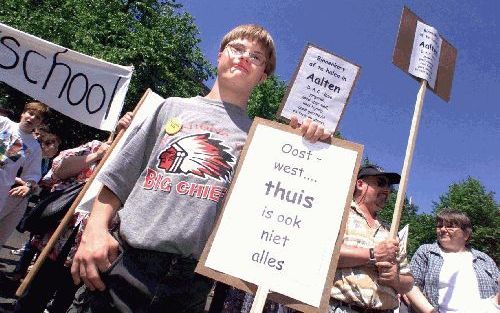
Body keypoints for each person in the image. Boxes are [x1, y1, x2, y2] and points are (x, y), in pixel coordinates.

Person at [68, 24, 330, 313]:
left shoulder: (263, 138)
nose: (244, 57)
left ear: (263, 76)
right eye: (237, 48)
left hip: (192, 283)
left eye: (256, 57)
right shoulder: (171, 107)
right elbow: (119, 176)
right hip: (126, 262)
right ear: (219, 56)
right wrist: (94, 230)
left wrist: (310, 145)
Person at [13, 112, 132, 313]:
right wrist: (97, 155)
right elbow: (57, 170)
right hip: (61, 233)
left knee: (68, 301)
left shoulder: (136, 165)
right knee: (34, 294)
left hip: (94, 246)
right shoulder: (96, 146)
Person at [329, 164, 414, 313]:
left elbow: (409, 282)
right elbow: (323, 255)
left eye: (389, 186)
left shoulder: (390, 232)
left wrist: (395, 278)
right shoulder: (341, 214)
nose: (387, 190)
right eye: (380, 183)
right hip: (342, 307)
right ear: (360, 184)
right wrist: (373, 254)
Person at [405, 209, 499, 313]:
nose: (443, 229)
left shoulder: (484, 259)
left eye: (450, 226)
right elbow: (411, 285)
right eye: (440, 226)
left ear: (466, 234)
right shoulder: (426, 252)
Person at [0, 101, 49, 244]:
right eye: (30, 113)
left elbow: (32, 174)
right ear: (23, 113)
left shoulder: (34, 147)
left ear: (40, 123)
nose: (32, 118)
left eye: (38, 117)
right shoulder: (4, 123)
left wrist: (28, 185)